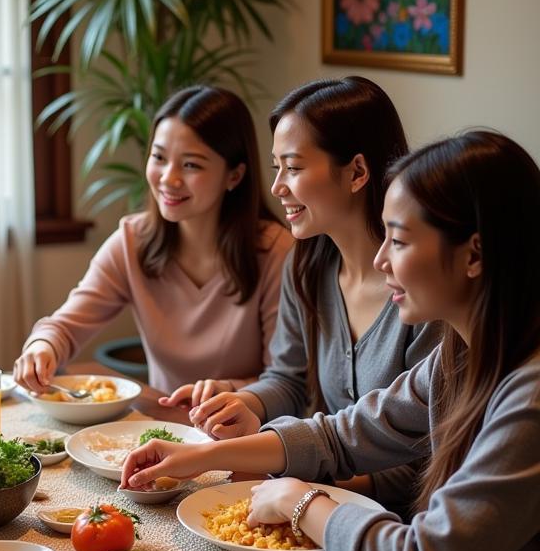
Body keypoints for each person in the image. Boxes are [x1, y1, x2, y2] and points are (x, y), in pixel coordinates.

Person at [123, 130, 540, 551]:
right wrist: (199, 457)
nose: (383, 258)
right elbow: (342, 434)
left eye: (400, 240)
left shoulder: (528, 395)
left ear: (474, 255)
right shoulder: (463, 356)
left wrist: (302, 503)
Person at [162, 76, 441, 507]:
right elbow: (289, 379)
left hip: (396, 528)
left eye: (293, 168)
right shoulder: (308, 264)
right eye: (276, 168)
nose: (277, 188)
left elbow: (430, 457)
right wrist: (248, 403)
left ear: (357, 172)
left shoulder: (426, 292)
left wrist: (309, 497)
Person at [14, 85, 292, 396]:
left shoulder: (275, 252)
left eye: (191, 165)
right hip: (162, 430)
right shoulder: (133, 241)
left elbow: (286, 383)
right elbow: (64, 326)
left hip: (248, 436)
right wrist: (43, 347)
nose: (168, 178)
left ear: (234, 176)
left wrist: (228, 391)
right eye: (159, 157)